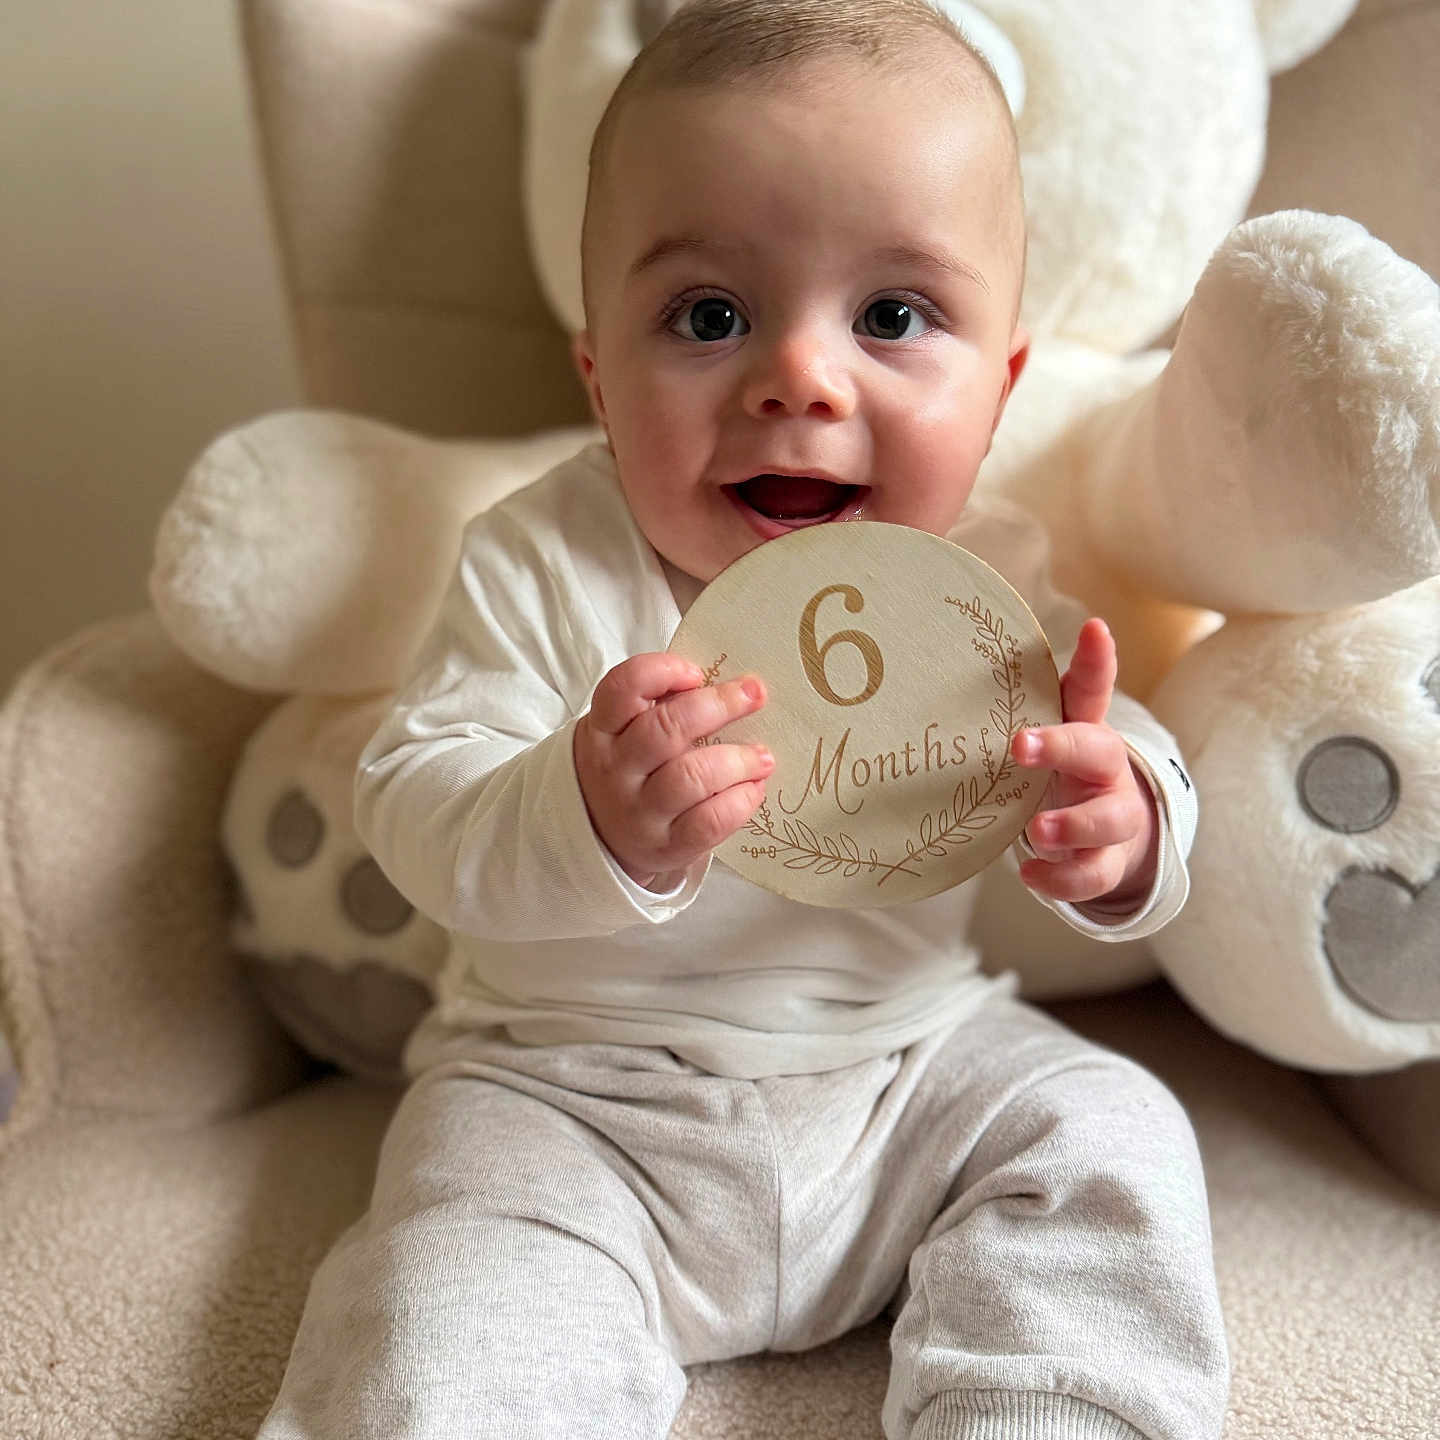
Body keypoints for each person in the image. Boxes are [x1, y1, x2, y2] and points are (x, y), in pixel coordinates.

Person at [257, 2, 1228, 1437]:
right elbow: (415, 792)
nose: (801, 377)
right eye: (709, 317)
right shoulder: (540, 560)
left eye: (894, 317)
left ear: (1002, 384)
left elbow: (1102, 729)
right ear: (599, 374)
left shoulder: (985, 580)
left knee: (1111, 1129)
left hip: (905, 1075)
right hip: (578, 1102)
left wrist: (1129, 815)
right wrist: (578, 810)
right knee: (450, 1277)